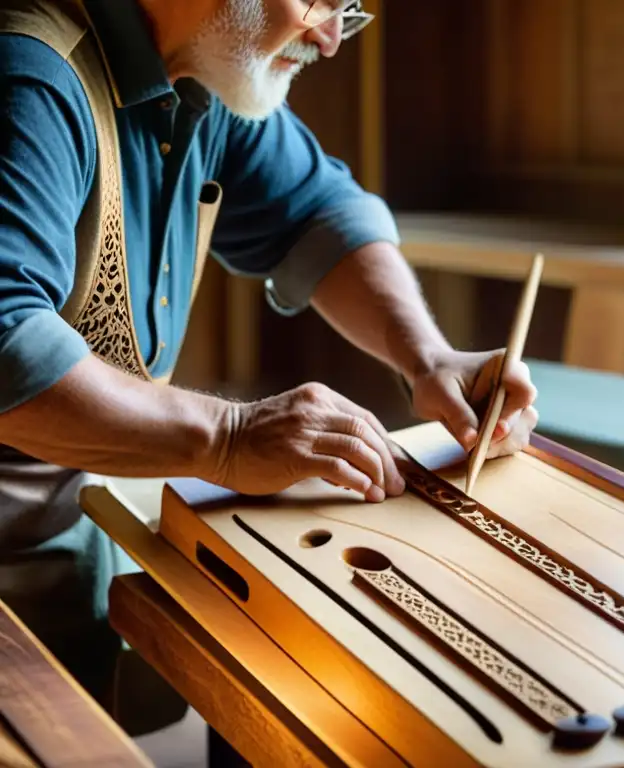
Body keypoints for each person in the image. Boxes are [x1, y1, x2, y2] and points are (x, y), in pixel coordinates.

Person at [0, 0, 538, 730]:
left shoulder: (194, 70)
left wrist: (429, 355)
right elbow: (5, 343)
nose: (328, 36)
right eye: (316, 0)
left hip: (63, 537)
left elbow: (317, 211)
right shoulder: (29, 76)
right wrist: (228, 438)